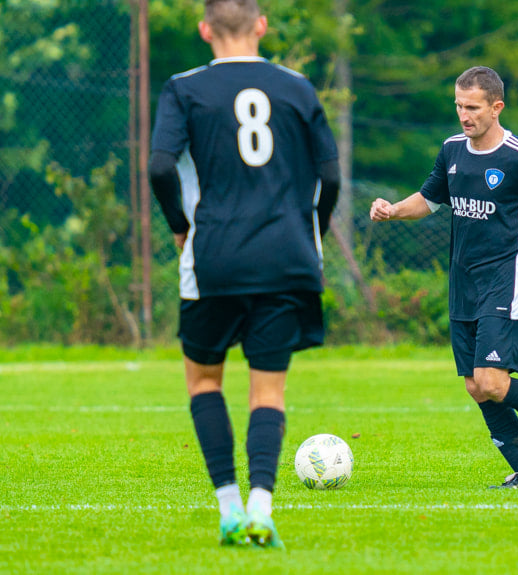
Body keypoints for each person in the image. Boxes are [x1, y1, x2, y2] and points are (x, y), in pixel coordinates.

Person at [148, 0, 340, 547]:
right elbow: (330, 174)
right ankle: (262, 508)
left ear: (206, 29)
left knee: (205, 381)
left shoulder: (184, 88)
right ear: (261, 26)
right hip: (286, 257)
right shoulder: (298, 87)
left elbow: (161, 166)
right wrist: (314, 230)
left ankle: (229, 508)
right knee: (268, 391)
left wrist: (179, 227)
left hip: (215, 255)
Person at [370, 66, 518, 489]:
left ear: (496, 107)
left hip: (506, 281)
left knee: (492, 380)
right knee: (475, 385)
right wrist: (394, 209)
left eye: (472, 108)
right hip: (463, 282)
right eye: (458, 106)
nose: (463, 115)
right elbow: (430, 200)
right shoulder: (452, 151)